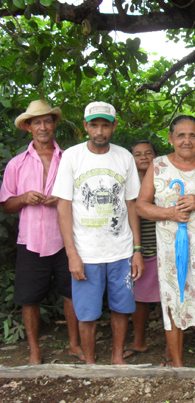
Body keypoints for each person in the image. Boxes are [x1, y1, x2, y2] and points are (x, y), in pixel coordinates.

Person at [53, 101, 144, 365]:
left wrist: (137, 251)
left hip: (121, 250)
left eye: (105, 125)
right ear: (85, 126)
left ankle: (117, 358)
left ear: (114, 127)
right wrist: (72, 254)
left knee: (122, 307)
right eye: (94, 125)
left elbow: (131, 205)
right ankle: (91, 363)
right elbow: (63, 206)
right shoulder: (72, 156)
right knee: (87, 313)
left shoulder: (124, 157)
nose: (100, 131)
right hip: (86, 252)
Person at [136, 115, 195, 368]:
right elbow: (141, 206)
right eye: (180, 135)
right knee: (173, 300)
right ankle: (177, 365)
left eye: (192, 135)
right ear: (170, 138)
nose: (186, 140)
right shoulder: (158, 166)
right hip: (169, 252)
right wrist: (168, 213)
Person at [0, 100, 83, 365]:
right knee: (28, 298)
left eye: (47, 121)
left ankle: (73, 344)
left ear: (54, 123)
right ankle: (34, 350)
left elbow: (82, 197)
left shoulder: (70, 158)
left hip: (66, 239)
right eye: (37, 122)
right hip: (31, 241)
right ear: (28, 127)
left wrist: (60, 199)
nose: (43, 127)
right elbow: (6, 204)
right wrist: (24, 197)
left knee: (71, 293)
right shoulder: (16, 164)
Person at [123, 140, 171, 364]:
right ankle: (139, 341)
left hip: (165, 248)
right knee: (139, 299)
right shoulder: (126, 183)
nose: (143, 157)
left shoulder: (164, 180)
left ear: (156, 157)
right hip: (139, 250)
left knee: (168, 299)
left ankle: (172, 347)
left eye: (148, 153)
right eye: (137, 154)